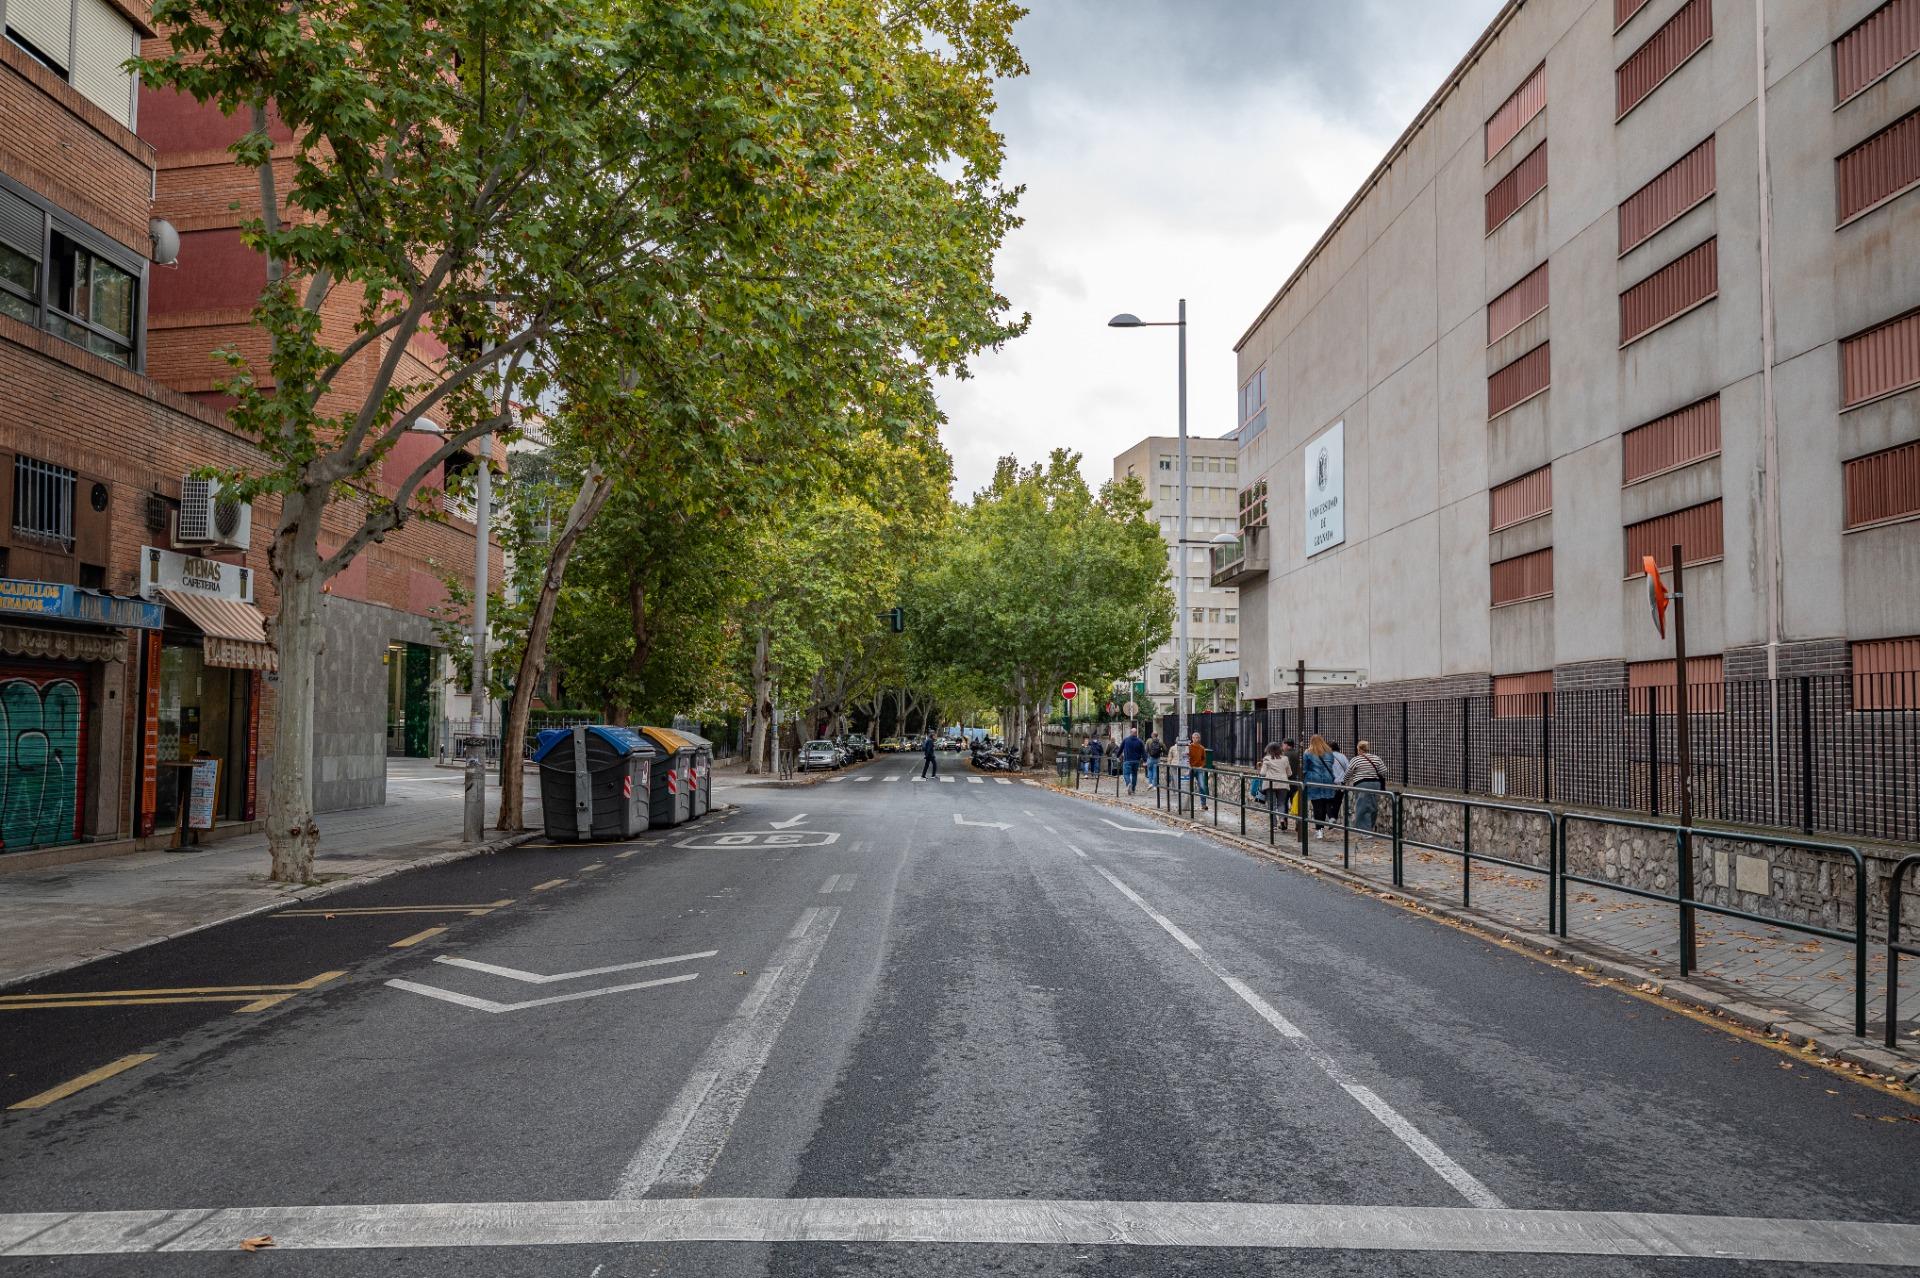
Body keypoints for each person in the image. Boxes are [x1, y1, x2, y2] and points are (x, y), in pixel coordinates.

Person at [1346, 740, 1389, 834]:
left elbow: (1348, 773)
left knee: (1362, 806)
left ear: (1359, 749)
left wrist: (1344, 782)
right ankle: (1370, 827)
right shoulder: (1376, 758)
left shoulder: (1356, 759)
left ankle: (1365, 830)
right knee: (1373, 806)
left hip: (1362, 784)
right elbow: (1384, 771)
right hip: (1375, 784)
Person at [1302, 735, 1337, 837]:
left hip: (1314, 780)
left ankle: (1319, 830)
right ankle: (1327, 821)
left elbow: (1305, 768)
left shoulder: (1308, 753)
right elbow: (1331, 765)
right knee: (1325, 802)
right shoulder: (1329, 753)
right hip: (1328, 779)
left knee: (1317, 805)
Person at [1258, 741, 1292, 831]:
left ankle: (1274, 826)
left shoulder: (1267, 759)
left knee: (1271, 805)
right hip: (1283, 783)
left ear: (1268, 749)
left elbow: (1263, 773)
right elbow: (1289, 773)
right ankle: (1282, 819)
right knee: (1281, 803)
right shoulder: (1285, 759)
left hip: (1270, 784)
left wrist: (1261, 768)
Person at [1120, 727, 1146, 796]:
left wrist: (1117, 756)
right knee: (1134, 775)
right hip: (1136, 761)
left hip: (1127, 760)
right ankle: (1133, 789)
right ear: (1136, 733)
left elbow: (1120, 749)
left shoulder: (1126, 740)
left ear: (1131, 732)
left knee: (1126, 774)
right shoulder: (1140, 741)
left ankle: (1128, 783)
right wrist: (1145, 760)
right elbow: (1143, 751)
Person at [1330, 740, 1351, 824]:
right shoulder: (1343, 756)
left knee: (1329, 802)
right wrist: (1345, 779)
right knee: (1337, 803)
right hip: (1340, 784)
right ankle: (1333, 819)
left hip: (1330, 783)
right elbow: (1348, 769)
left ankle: (1331, 818)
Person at [1187, 732, 1209, 810]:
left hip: (1199, 769)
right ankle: (1187, 804)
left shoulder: (1202, 748)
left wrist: (1201, 766)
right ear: (1192, 738)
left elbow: (1204, 759)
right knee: (1188, 786)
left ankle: (1203, 804)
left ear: (1199, 739)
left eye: (1197, 738)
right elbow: (1187, 758)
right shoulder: (1189, 747)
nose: (1195, 739)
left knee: (1202, 786)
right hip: (1191, 769)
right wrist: (1189, 766)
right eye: (1194, 738)